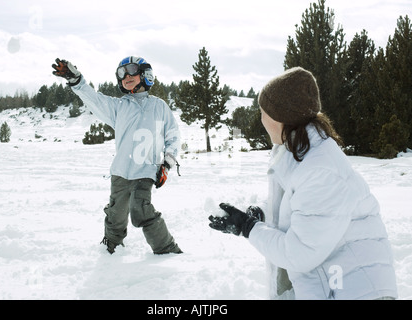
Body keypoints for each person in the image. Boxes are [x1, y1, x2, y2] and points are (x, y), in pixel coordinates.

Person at [209, 67, 398, 300]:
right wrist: (261, 213)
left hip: (358, 291)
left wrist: (248, 228)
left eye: (263, 112)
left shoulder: (321, 171)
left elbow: (299, 253)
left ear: (280, 118)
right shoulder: (299, 151)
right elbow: (297, 203)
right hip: (329, 284)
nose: (261, 119)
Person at [52, 56, 182, 255]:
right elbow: (94, 100)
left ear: (145, 74)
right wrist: (76, 80)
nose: (126, 76)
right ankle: (110, 249)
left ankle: (167, 250)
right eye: (121, 74)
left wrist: (167, 163)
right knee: (116, 213)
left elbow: (173, 135)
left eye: (130, 70)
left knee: (141, 209)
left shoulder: (159, 107)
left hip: (145, 170)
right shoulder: (119, 107)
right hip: (121, 171)